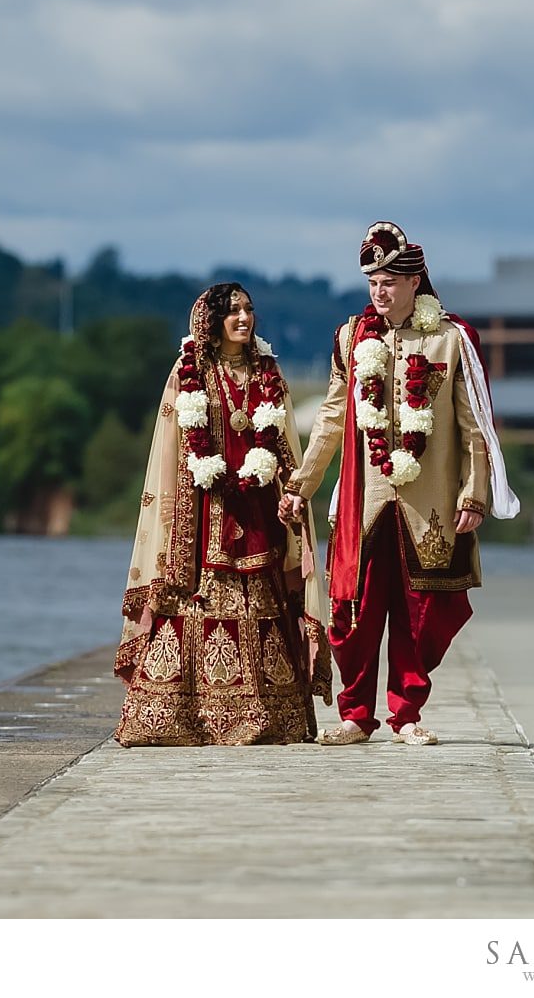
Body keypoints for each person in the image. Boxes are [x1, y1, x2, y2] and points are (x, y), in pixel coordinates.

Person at [279, 221, 519, 745]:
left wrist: (474, 492)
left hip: (428, 502)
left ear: (415, 282)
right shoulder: (350, 338)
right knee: (353, 612)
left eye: (389, 281)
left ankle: (406, 716)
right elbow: (330, 418)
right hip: (363, 500)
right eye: (372, 283)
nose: (379, 293)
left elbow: (473, 423)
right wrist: (301, 484)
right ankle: (354, 716)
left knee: (419, 612)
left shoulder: (449, 340)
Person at [115, 283, 331, 746]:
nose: (244, 318)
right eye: (232, 311)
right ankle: (180, 719)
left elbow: (283, 440)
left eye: (249, 310)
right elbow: (171, 447)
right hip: (203, 512)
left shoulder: (268, 371)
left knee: (265, 601)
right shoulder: (189, 369)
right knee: (195, 605)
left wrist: (291, 492)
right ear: (211, 320)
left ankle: (272, 717)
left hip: (258, 512)